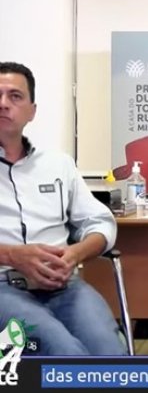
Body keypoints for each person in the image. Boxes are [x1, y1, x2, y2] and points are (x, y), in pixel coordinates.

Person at [0, 62, 126, 356]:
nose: (3, 104)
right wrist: (11, 255)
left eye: (15, 96)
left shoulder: (58, 164)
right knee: (64, 353)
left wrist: (75, 254)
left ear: (32, 111)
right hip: (3, 287)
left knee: (109, 352)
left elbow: (100, 222)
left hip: (64, 284)